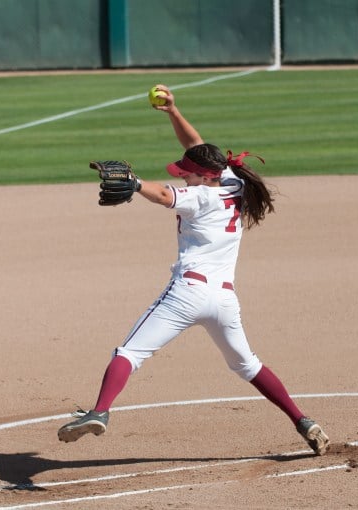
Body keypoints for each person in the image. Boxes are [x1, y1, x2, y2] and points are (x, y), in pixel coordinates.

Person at [57, 84, 330, 456]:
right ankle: (303, 421)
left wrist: (135, 184)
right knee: (248, 365)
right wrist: (173, 111)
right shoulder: (231, 183)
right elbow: (196, 144)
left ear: (204, 176)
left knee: (130, 353)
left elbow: (164, 195)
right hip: (224, 301)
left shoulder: (198, 196)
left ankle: (100, 412)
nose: (182, 174)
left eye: (188, 172)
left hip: (186, 294)